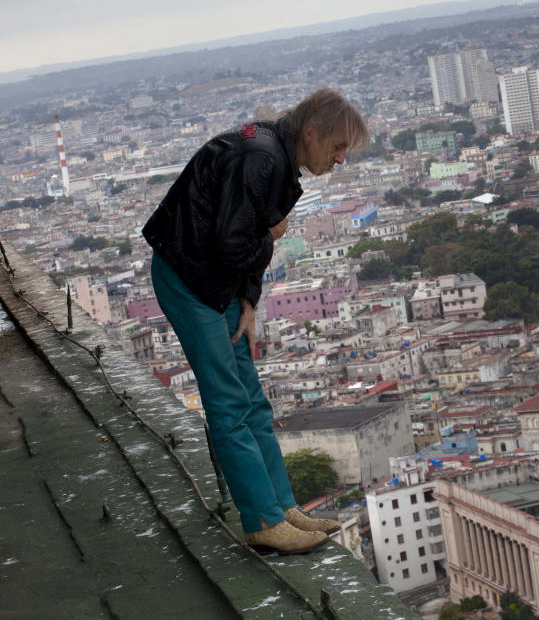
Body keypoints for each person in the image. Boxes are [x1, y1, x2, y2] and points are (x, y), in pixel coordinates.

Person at [142, 88, 369, 555]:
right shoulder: (262, 159)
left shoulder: (272, 153)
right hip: (188, 278)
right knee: (228, 405)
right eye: (339, 146)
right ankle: (262, 520)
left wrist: (248, 299)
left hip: (219, 282)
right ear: (312, 132)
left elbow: (239, 240)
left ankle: (282, 508)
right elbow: (235, 241)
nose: (341, 159)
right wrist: (270, 235)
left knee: (253, 402)